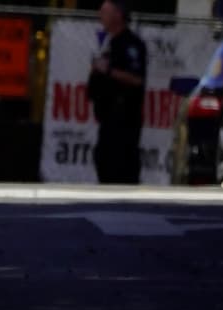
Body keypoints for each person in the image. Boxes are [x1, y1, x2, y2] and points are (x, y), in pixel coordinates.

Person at [87, 0, 146, 183]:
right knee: (103, 160)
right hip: (107, 116)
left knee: (122, 165)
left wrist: (109, 71)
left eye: (105, 12)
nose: (100, 16)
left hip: (125, 117)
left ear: (118, 15)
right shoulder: (109, 42)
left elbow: (137, 79)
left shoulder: (131, 45)